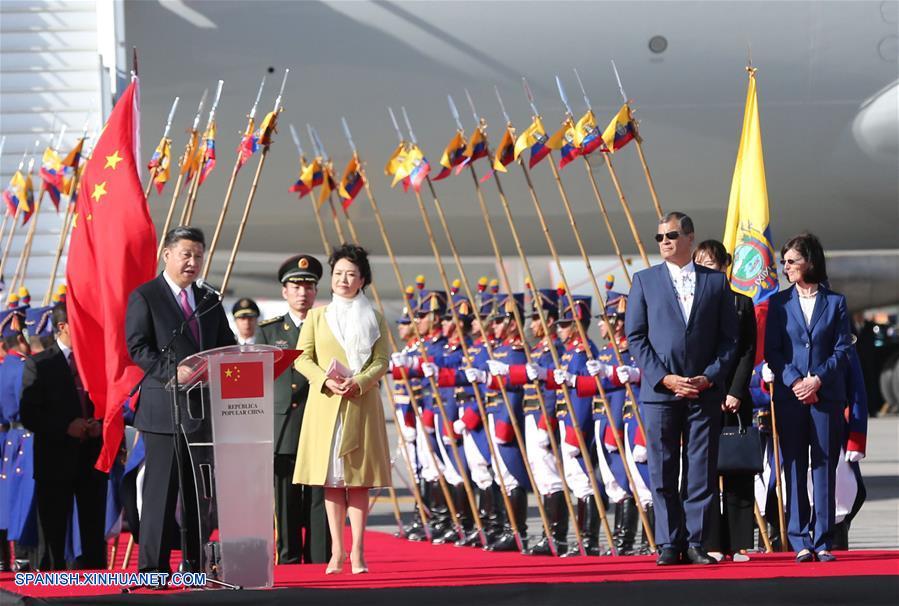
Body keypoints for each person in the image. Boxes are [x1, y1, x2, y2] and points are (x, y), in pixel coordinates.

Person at [625, 211, 738, 566]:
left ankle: (695, 541)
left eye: (671, 235)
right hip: (661, 393)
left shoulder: (715, 284)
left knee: (700, 469)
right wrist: (664, 377)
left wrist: (709, 376)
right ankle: (668, 542)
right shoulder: (644, 281)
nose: (664, 242)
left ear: (690, 237)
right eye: (659, 237)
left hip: (703, 391)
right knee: (663, 468)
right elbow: (636, 337)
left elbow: (729, 340)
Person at [125, 226, 236, 575]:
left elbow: (226, 344)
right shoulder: (146, 296)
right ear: (167, 254)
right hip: (163, 410)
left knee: (198, 497)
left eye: (198, 256)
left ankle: (196, 565)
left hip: (201, 412)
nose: (192, 262)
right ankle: (153, 570)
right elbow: (138, 347)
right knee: (160, 495)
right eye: (186, 254)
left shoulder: (209, 299)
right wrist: (171, 373)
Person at [293, 244, 391, 575]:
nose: (343, 280)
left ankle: (359, 551)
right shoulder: (318, 317)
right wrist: (325, 380)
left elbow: (381, 361)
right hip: (326, 405)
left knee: (358, 481)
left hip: (360, 403)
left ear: (362, 279)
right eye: (337, 274)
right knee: (332, 482)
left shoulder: (375, 317)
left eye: (350, 274)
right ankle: (336, 551)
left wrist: (360, 381)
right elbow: (302, 358)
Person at [765, 233, 852, 563]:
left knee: (825, 466)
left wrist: (817, 380)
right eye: (783, 261)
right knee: (795, 466)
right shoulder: (779, 303)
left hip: (825, 394)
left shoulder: (836, 302)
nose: (785, 267)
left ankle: (824, 538)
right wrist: (796, 381)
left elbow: (842, 348)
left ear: (810, 263)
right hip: (791, 397)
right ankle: (799, 538)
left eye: (791, 261)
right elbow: (774, 351)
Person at [20, 303, 107, 570]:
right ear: (63, 327)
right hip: (55, 459)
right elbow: (30, 415)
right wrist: (65, 426)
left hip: (91, 457)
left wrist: (99, 424)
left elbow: (110, 402)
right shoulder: (41, 363)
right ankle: (53, 584)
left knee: (93, 529)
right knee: (53, 531)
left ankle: (97, 581)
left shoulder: (95, 360)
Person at [255, 254, 330, 564]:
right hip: (283, 425)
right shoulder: (269, 332)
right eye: (296, 286)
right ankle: (288, 560)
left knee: (318, 498)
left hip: (318, 422)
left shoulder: (327, 327)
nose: (303, 292)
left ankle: (319, 559)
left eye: (309, 286)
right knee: (285, 499)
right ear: (284, 291)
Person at [692, 240, 757, 563]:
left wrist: (734, 391)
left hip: (735, 397)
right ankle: (711, 541)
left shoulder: (742, 304)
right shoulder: (693, 305)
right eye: (701, 264)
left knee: (738, 470)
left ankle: (740, 542)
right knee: (705, 471)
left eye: (713, 265)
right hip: (704, 394)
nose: (708, 270)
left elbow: (747, 352)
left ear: (726, 266)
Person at [0, 306, 38, 572]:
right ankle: (26, 559)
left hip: (8, 438)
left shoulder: (5, 367)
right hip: (27, 438)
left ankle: (7, 559)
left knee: (8, 501)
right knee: (26, 501)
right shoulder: (26, 367)